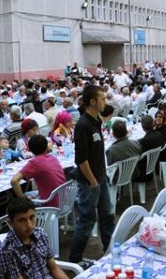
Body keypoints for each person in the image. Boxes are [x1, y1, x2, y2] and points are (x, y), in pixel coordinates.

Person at [68, 85, 115, 267]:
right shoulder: (83, 125)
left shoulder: (96, 121)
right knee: (88, 219)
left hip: (100, 178)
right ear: (93, 101)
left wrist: (101, 178)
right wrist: (93, 181)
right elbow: (81, 159)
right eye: (102, 98)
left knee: (107, 214)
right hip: (89, 182)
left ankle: (110, 249)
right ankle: (75, 258)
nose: (105, 101)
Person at [0, 197, 69, 279]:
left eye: (32, 217)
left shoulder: (41, 235)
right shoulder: (6, 251)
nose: (29, 225)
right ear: (11, 223)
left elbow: (54, 268)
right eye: (22, 220)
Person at [11, 135, 65, 207]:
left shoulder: (34, 163)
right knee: (29, 194)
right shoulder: (52, 158)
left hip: (49, 204)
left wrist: (23, 199)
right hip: (63, 199)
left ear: (30, 149)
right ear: (46, 146)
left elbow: (14, 181)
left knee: (20, 197)